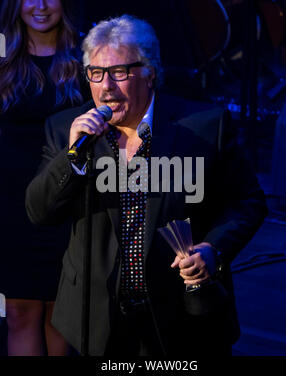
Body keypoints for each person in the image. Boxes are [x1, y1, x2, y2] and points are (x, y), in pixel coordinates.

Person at [25, 14, 268, 357]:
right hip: (98, 317)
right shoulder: (66, 129)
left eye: (119, 72)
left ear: (150, 72)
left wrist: (214, 250)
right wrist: (73, 156)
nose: (105, 86)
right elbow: (39, 212)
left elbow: (248, 202)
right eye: (95, 73)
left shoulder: (203, 127)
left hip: (182, 319)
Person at [0, 0, 90, 356]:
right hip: (9, 203)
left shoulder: (86, 54)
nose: (39, 6)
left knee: (60, 313)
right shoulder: (2, 51)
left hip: (64, 200)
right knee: (19, 312)